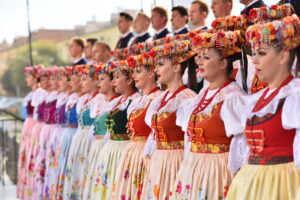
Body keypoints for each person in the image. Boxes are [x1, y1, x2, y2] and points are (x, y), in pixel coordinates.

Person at [223, 15, 300, 200]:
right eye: (255, 53)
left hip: (284, 181)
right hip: (252, 181)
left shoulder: (294, 96)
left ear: (283, 55)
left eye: (262, 53)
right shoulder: (255, 100)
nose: (255, 60)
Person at [171, 30, 245, 200]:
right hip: (193, 167)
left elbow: (241, 146)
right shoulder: (202, 95)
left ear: (222, 63)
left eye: (206, 57)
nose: (200, 62)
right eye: (199, 57)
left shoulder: (232, 97)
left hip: (218, 171)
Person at [143, 40, 197, 199]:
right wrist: (148, 154)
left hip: (176, 161)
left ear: (176, 67)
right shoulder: (160, 100)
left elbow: (191, 138)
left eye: (160, 64)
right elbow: (153, 133)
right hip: (159, 159)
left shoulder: (187, 99)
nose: (156, 69)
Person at [112, 52, 162, 200]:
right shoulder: (139, 100)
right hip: (132, 153)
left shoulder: (158, 99)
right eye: (133, 72)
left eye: (138, 72)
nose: (134, 76)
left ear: (152, 74)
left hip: (145, 154)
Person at [91, 60, 141, 200]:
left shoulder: (137, 101)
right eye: (112, 78)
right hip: (111, 149)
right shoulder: (117, 102)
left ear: (130, 80)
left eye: (117, 77)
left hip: (123, 149)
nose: (113, 82)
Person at [63, 65, 102, 199]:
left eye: (84, 79)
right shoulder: (84, 99)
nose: (81, 83)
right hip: (80, 139)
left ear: (95, 80)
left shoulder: (99, 100)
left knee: (86, 172)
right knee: (77, 173)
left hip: (90, 141)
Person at [82, 63, 120, 200]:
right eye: (98, 79)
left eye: (102, 78)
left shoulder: (117, 103)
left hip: (108, 148)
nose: (98, 82)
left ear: (112, 82)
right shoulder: (101, 101)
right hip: (98, 148)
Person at [17, 65, 41, 199]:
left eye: (28, 76)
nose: (26, 79)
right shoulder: (31, 93)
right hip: (28, 125)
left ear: (35, 77)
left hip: (34, 124)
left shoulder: (39, 92)